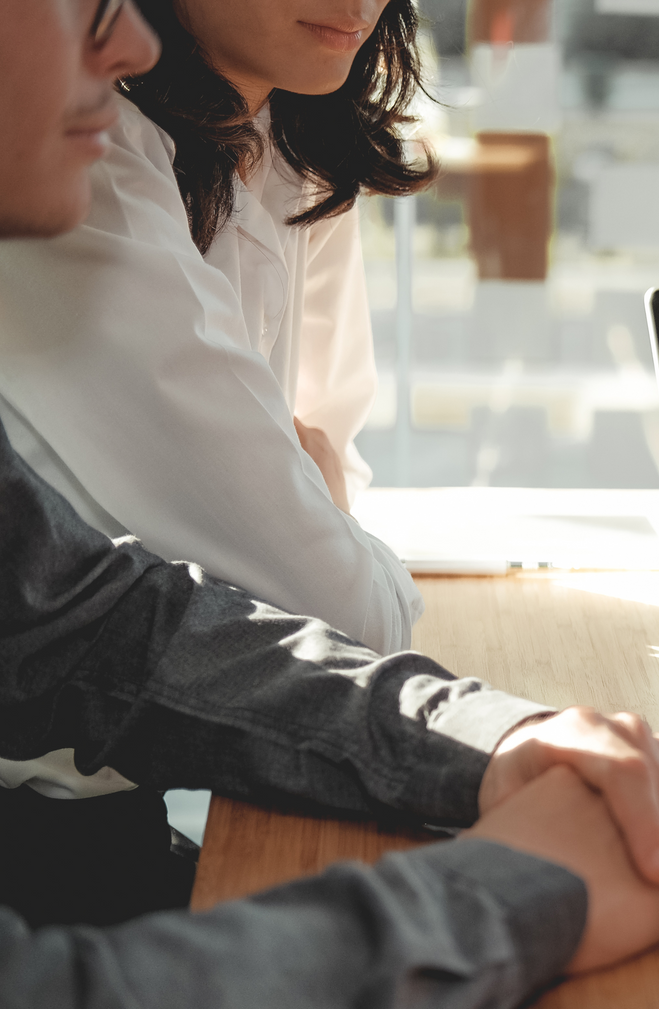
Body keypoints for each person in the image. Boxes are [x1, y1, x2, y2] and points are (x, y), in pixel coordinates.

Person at [0, 0, 659, 1009]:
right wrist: (514, 890)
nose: (124, 47)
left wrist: (482, 738)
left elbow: (94, 628)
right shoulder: (110, 179)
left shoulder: (266, 147)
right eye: (80, 1)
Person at [0, 0, 433, 659]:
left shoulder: (292, 139)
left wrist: (333, 529)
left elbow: (329, 467)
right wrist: (335, 528)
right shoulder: (74, 153)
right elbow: (343, 616)